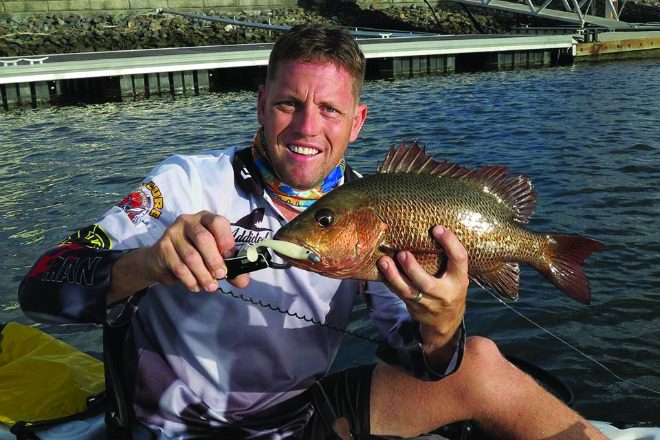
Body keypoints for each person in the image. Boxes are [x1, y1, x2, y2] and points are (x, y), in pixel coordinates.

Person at [19, 24, 606, 440]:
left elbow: (421, 362)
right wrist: (144, 265)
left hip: (298, 419)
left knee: (477, 359)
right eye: (288, 104)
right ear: (260, 104)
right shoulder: (184, 186)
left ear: (357, 122)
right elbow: (43, 283)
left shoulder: (371, 208)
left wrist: (442, 323)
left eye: (329, 109)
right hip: (174, 426)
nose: (306, 127)